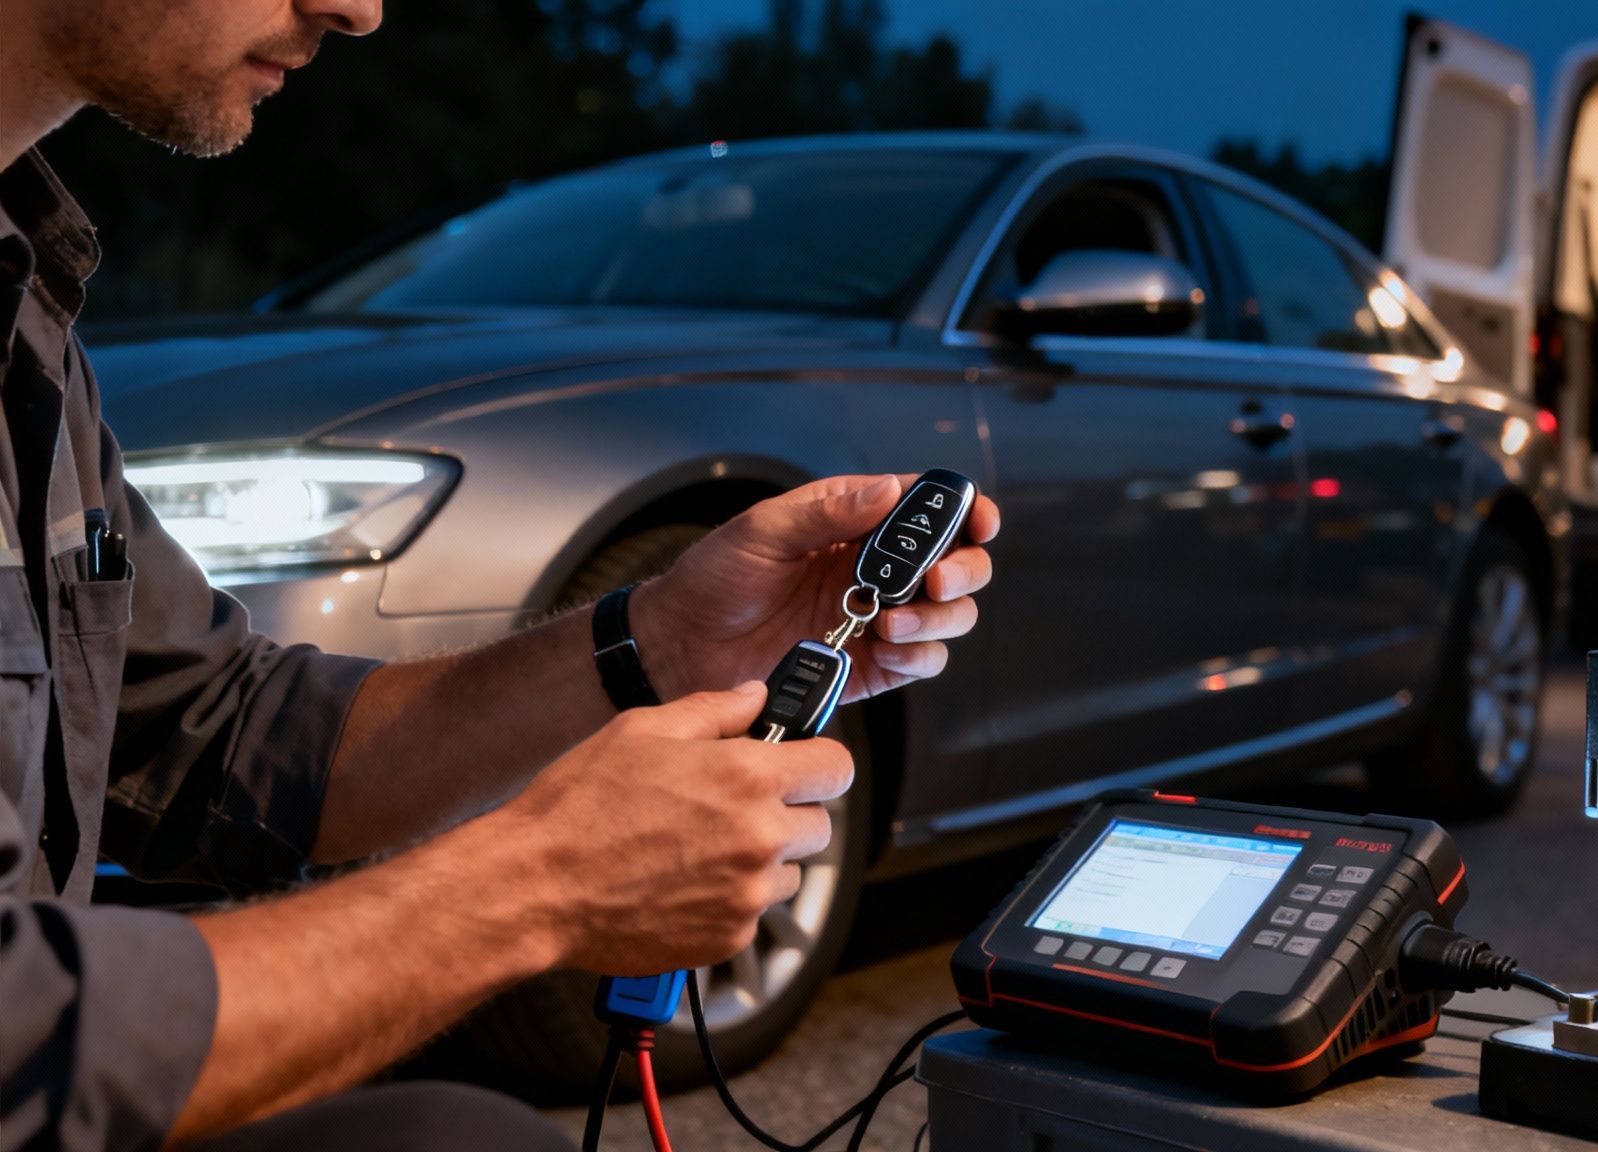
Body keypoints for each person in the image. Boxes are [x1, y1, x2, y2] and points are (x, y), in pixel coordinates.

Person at [0, 2, 1002, 1149]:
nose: (360, 9)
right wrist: (535, 888)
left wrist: (659, 641)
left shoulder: (30, 319)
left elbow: (226, 738)